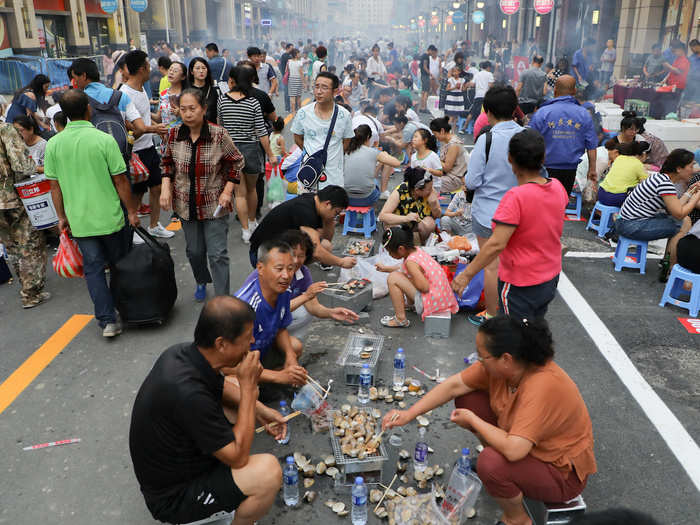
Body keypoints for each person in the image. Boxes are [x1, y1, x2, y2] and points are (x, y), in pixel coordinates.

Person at [382, 316, 597, 525]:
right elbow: (454, 386)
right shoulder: (505, 368)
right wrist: (408, 414)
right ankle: (503, 472)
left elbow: (514, 450)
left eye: (482, 356)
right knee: (468, 398)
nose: (478, 361)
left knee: (490, 463)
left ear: (506, 359)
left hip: (559, 474)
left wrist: (474, 422)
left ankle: (517, 518)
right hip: (524, 445)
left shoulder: (541, 386)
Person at [129, 296, 285, 525]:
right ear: (221, 344)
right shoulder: (189, 395)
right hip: (174, 498)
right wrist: (250, 390)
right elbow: (239, 458)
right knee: (268, 472)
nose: (252, 341)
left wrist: (259, 410)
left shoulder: (182, 353)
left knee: (233, 394)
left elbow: (219, 387)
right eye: (246, 338)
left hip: (181, 466)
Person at [45, 90, 139, 337]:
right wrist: (131, 211)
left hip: (80, 221)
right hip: (110, 217)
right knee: (119, 265)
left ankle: (107, 321)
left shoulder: (54, 144)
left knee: (94, 270)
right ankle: (128, 311)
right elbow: (121, 181)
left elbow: (54, 187)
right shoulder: (103, 140)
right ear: (89, 109)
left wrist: (62, 217)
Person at [454, 129, 568, 320]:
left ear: (510, 159)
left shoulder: (516, 197)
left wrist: (467, 274)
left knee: (514, 334)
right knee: (533, 326)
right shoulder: (557, 186)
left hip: (521, 282)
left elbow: (496, 244)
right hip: (549, 277)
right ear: (543, 158)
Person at [160, 88, 243, 300]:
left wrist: (228, 190)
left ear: (204, 109)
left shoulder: (218, 134)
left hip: (214, 203)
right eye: (183, 109)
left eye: (192, 109)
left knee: (218, 254)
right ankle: (201, 280)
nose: (187, 114)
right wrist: (165, 188)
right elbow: (167, 163)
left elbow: (236, 161)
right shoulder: (174, 134)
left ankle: (222, 298)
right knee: (194, 251)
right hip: (186, 204)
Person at [465, 85, 524, 326]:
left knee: (491, 266)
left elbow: (472, 180)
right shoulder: (526, 135)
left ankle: (491, 315)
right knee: (517, 264)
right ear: (514, 110)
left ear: (487, 111)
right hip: (521, 211)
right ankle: (516, 313)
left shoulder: (486, 139)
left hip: (489, 213)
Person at [247, 230, 358, 341]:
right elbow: (270, 310)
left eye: (301, 256)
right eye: (292, 254)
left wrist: (331, 313)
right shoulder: (269, 273)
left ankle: (287, 341)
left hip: (277, 319)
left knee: (302, 321)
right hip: (254, 325)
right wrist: (306, 296)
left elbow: (313, 307)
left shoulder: (302, 272)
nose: (296, 260)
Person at [614, 149, 700, 280]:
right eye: (690, 166)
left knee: (684, 221)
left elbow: (675, 207)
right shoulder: (665, 184)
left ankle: (667, 263)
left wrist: (690, 191)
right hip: (631, 225)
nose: (693, 169)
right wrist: (696, 196)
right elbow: (679, 213)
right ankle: (670, 269)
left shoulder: (660, 178)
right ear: (678, 168)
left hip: (626, 221)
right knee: (682, 225)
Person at [234, 240, 308, 389]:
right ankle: (265, 385)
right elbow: (229, 365)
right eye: (279, 268)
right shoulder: (245, 307)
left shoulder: (284, 291)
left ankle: (269, 383)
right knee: (235, 384)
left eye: (290, 268)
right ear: (260, 268)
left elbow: (281, 327)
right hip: (241, 362)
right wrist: (279, 377)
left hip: (262, 352)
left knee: (295, 348)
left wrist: (291, 357)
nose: (286, 276)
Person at [217, 66, 277, 244]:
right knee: (251, 189)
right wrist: (271, 154)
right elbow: (261, 132)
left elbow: (220, 127)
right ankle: (252, 222)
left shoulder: (222, 100)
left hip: (230, 150)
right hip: (251, 149)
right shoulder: (253, 102)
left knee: (239, 193)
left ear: (233, 81)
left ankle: (245, 231)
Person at [121, 50, 173, 241]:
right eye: (148, 66)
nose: (151, 69)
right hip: (135, 151)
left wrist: (156, 117)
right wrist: (154, 129)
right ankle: (133, 228)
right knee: (136, 192)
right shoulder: (124, 93)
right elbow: (128, 126)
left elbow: (142, 114)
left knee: (157, 186)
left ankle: (154, 225)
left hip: (148, 147)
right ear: (142, 69)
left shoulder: (142, 88)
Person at [0, 122, 49, 309]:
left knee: (10, 245)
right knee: (29, 242)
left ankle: (24, 285)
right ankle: (31, 293)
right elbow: (22, 164)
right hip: (10, 196)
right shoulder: (4, 129)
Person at [249, 185, 355, 269]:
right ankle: (288, 279)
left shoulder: (315, 200)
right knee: (318, 249)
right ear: (327, 204)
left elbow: (326, 240)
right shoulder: (306, 212)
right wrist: (341, 262)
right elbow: (317, 252)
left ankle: (294, 272)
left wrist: (329, 220)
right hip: (261, 254)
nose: (335, 217)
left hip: (282, 243)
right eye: (336, 212)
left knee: (325, 246)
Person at [376, 225, 458, 327]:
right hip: (441, 299)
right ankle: (411, 305)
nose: (390, 255)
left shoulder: (410, 262)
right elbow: (403, 269)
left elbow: (424, 287)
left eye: (390, 252)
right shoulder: (417, 251)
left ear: (401, 249)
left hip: (432, 302)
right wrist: (385, 269)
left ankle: (400, 319)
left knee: (393, 278)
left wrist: (408, 277)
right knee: (403, 275)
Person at [529, 75, 598, 196]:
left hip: (544, 169)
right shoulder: (584, 114)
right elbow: (591, 145)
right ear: (575, 91)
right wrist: (592, 169)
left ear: (555, 90)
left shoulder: (542, 113)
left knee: (542, 204)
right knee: (561, 203)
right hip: (569, 171)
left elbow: (529, 140)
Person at [291, 72, 354, 189]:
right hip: (309, 174)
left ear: (335, 91)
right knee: (308, 206)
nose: (319, 91)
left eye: (324, 87)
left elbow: (347, 141)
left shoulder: (344, 115)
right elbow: (297, 138)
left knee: (332, 206)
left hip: (334, 176)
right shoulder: (303, 113)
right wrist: (312, 155)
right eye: (316, 86)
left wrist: (332, 156)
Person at [378, 167, 441, 244]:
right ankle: (402, 245)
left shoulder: (430, 191)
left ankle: (421, 243)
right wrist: (406, 218)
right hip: (401, 223)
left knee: (430, 223)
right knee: (391, 225)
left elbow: (437, 215)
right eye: (429, 189)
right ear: (417, 190)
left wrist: (433, 204)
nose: (431, 190)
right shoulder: (400, 191)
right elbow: (382, 216)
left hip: (419, 224)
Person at [343, 124, 401, 207]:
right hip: (366, 198)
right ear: (368, 138)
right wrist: (384, 154)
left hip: (346, 197)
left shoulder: (347, 151)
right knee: (374, 182)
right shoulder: (373, 152)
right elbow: (397, 163)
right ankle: (383, 194)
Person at [598, 141, 650, 207]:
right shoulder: (638, 164)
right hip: (616, 198)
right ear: (644, 154)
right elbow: (647, 183)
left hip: (601, 194)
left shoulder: (619, 158)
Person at [430, 117, 469, 194]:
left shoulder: (453, 145)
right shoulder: (447, 141)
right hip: (449, 176)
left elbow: (447, 168)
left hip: (455, 179)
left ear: (442, 131)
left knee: (426, 184)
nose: (435, 137)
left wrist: (433, 157)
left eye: (435, 134)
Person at [188, 57, 220, 123]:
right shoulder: (187, 90)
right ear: (191, 71)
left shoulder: (213, 91)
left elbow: (217, 114)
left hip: (210, 129)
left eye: (204, 68)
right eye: (197, 68)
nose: (201, 71)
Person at [160, 61, 188, 128]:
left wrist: (180, 113)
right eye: (170, 69)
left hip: (182, 134)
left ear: (183, 77)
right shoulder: (163, 94)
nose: (171, 72)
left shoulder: (187, 94)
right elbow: (159, 117)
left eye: (175, 71)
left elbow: (195, 117)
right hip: (166, 135)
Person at [471, 62, 495, 129]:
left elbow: (472, 84)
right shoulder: (490, 74)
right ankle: (483, 127)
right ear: (488, 67)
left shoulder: (477, 74)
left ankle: (476, 127)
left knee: (476, 113)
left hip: (478, 96)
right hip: (486, 97)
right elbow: (491, 86)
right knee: (484, 113)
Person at [419, 45, 438, 112]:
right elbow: (425, 66)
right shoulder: (426, 56)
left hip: (423, 75)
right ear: (430, 50)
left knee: (423, 92)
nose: (432, 53)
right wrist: (430, 74)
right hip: (425, 76)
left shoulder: (424, 55)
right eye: (432, 52)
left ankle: (422, 107)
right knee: (426, 92)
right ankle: (424, 107)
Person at [286, 49, 304, 114]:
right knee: (299, 96)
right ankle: (300, 110)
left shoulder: (289, 61)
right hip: (298, 79)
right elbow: (301, 73)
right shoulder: (300, 62)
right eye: (299, 53)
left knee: (292, 96)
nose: (300, 55)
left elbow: (286, 71)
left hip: (291, 79)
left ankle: (293, 111)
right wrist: (304, 82)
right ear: (296, 55)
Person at [278, 42, 294, 113]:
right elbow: (281, 67)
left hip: (293, 76)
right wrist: (284, 75)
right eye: (291, 48)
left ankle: (293, 107)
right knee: (287, 92)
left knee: (293, 92)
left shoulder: (292, 55)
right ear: (287, 48)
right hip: (287, 76)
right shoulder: (284, 55)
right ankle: (287, 108)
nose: (292, 49)